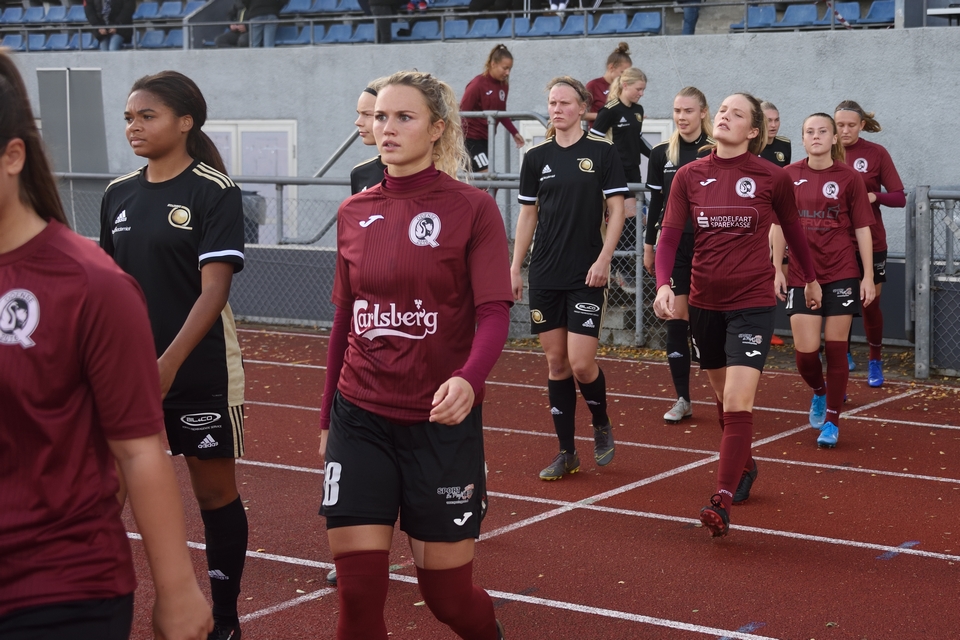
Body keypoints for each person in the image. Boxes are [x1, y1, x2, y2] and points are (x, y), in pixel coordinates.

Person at [0, 51, 211, 640]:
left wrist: (177, 590)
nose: (133, 126)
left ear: (13, 156)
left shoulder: (89, 284)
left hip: (55, 591)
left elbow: (139, 450)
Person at [317, 70, 513, 640]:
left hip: (440, 425)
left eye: (404, 117)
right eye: (381, 116)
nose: (388, 128)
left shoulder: (473, 209)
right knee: (357, 594)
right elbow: (344, 319)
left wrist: (469, 379)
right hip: (360, 418)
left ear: (437, 129)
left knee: (448, 599)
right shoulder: (354, 212)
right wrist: (327, 417)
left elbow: (494, 311)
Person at [99, 71, 248, 640]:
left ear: (185, 122)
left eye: (147, 116)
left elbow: (214, 291)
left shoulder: (214, 189)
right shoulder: (118, 193)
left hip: (199, 368)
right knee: (103, 495)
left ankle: (225, 620)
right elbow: (110, 287)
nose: (134, 127)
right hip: (126, 372)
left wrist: (167, 364)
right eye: (129, 118)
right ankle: (97, 612)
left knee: (213, 494)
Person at [653, 93, 821, 536]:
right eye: (723, 110)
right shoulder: (689, 175)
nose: (725, 116)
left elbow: (794, 232)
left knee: (738, 401)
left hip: (752, 302)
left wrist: (810, 278)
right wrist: (664, 284)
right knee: (722, 397)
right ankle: (745, 465)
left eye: (737, 113)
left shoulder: (772, 176)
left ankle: (721, 501)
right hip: (704, 303)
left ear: (753, 131)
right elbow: (668, 236)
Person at [511, 76, 628, 481]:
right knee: (556, 363)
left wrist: (604, 259)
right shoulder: (535, 157)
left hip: (586, 273)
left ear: (582, 108)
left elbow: (617, 209)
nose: (557, 109)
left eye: (564, 102)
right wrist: (516, 266)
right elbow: (528, 215)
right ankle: (567, 452)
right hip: (545, 272)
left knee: (580, 363)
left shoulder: (602, 152)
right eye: (552, 103)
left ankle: (601, 420)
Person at [771, 113, 875, 449]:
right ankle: (819, 391)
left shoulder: (850, 177)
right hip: (801, 275)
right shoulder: (788, 176)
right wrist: (777, 268)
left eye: (822, 131)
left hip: (841, 271)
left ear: (833, 138)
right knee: (805, 355)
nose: (816, 136)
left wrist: (868, 276)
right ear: (802, 139)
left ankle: (832, 420)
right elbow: (777, 227)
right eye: (809, 132)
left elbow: (862, 229)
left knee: (836, 349)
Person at [643, 86, 712, 425]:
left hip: (709, 245)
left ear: (703, 113)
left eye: (688, 111)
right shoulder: (661, 153)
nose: (681, 117)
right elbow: (656, 203)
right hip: (672, 245)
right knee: (676, 317)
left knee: (706, 322)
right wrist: (648, 245)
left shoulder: (715, 150)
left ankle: (725, 393)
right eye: (677, 111)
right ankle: (683, 398)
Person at [834, 100, 905, 386]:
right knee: (839, 304)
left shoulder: (876, 153)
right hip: (835, 243)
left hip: (871, 241)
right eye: (840, 125)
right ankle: (842, 356)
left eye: (851, 125)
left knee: (869, 304)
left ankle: (875, 359)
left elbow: (899, 197)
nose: (845, 130)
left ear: (862, 125)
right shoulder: (826, 151)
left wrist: (874, 196)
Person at [460, 44, 525, 174]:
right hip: (470, 141)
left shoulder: (503, 85)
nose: (508, 73)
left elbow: (501, 113)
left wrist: (514, 132)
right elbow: (462, 113)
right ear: (493, 64)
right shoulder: (477, 84)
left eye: (510, 69)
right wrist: (457, 144)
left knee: (482, 181)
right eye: (505, 68)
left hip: (486, 139)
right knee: (487, 177)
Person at [350, 80, 387, 194]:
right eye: (359, 113)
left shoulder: (432, 173)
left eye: (367, 114)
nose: (358, 122)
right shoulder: (361, 173)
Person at [584, 43, 632, 124]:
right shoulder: (593, 85)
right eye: (622, 72)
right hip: (599, 130)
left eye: (628, 73)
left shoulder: (624, 86)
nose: (625, 77)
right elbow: (580, 114)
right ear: (611, 67)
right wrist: (605, 116)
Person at [759, 101, 791, 168]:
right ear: (760, 122)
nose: (773, 125)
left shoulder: (784, 144)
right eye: (769, 120)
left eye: (776, 120)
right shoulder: (751, 145)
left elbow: (785, 171)